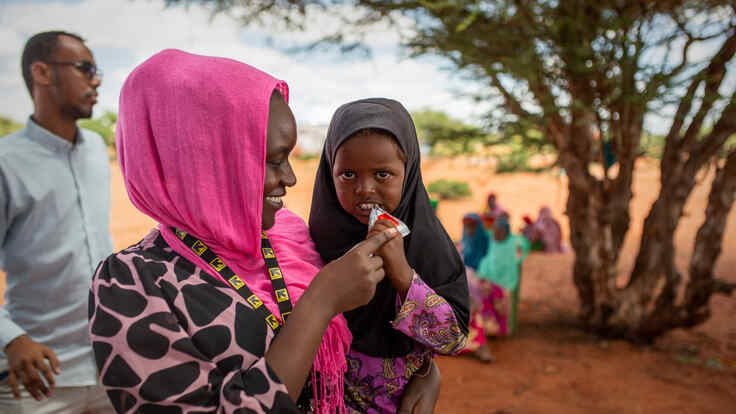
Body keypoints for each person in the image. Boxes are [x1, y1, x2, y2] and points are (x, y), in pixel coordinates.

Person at [88, 50, 438, 414]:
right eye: (272, 160)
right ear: (203, 161)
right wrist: (320, 303)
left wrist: (423, 371)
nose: (290, 177)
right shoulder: (133, 283)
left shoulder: (287, 237)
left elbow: (363, 339)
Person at [308, 98, 469, 413]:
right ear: (330, 173)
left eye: (382, 174)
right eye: (348, 175)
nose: (365, 188)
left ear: (407, 174)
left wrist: (403, 274)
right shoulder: (311, 243)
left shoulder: (428, 245)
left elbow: (455, 339)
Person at [0, 31, 115, 413]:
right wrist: (11, 339)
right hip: (36, 375)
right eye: (86, 68)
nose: (96, 80)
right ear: (42, 73)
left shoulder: (98, 150)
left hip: (112, 366)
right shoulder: (6, 162)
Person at [476, 217, 529, 337]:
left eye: (500, 232)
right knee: (486, 302)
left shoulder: (515, 242)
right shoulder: (490, 240)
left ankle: (503, 330)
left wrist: (516, 260)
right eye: (495, 231)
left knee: (503, 307)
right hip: (488, 279)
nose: (497, 234)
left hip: (506, 281)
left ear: (506, 232)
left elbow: (523, 249)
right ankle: (489, 329)